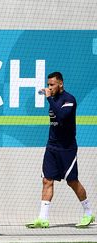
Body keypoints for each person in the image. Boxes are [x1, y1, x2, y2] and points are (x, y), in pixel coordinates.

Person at [26, 72, 95, 228]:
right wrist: (49, 96)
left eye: (52, 84)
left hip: (67, 148)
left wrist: (49, 98)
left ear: (61, 84)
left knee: (72, 181)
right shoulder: (54, 99)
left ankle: (89, 213)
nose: (49, 87)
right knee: (46, 180)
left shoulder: (69, 99)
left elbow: (62, 117)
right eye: (48, 84)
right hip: (52, 146)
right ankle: (43, 218)